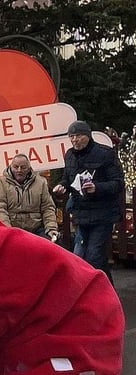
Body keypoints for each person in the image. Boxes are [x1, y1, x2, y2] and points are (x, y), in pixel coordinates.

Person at [53, 120, 123, 282]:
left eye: (78, 136)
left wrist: (97, 188)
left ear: (88, 136)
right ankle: (107, 291)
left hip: (103, 214)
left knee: (93, 256)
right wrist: (62, 186)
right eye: (71, 136)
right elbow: (67, 179)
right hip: (81, 214)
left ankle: (98, 296)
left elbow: (118, 183)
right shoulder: (69, 155)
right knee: (80, 257)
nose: (74, 140)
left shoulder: (105, 154)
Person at [0, 154, 58, 241]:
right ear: (10, 167)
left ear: (29, 168)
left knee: (49, 247)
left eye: (23, 167)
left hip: (37, 229)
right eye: (16, 167)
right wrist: (7, 230)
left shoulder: (41, 182)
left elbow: (48, 208)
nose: (19, 170)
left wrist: (51, 228)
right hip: (12, 229)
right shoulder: (1, 183)